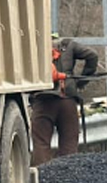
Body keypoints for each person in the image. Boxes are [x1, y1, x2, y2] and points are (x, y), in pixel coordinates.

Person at [30, 34, 100, 166]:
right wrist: (80, 82)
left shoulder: (34, 46)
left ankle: (44, 179)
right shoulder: (68, 45)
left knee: (41, 144)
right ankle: (67, 179)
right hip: (67, 101)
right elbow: (93, 55)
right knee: (69, 144)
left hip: (43, 101)